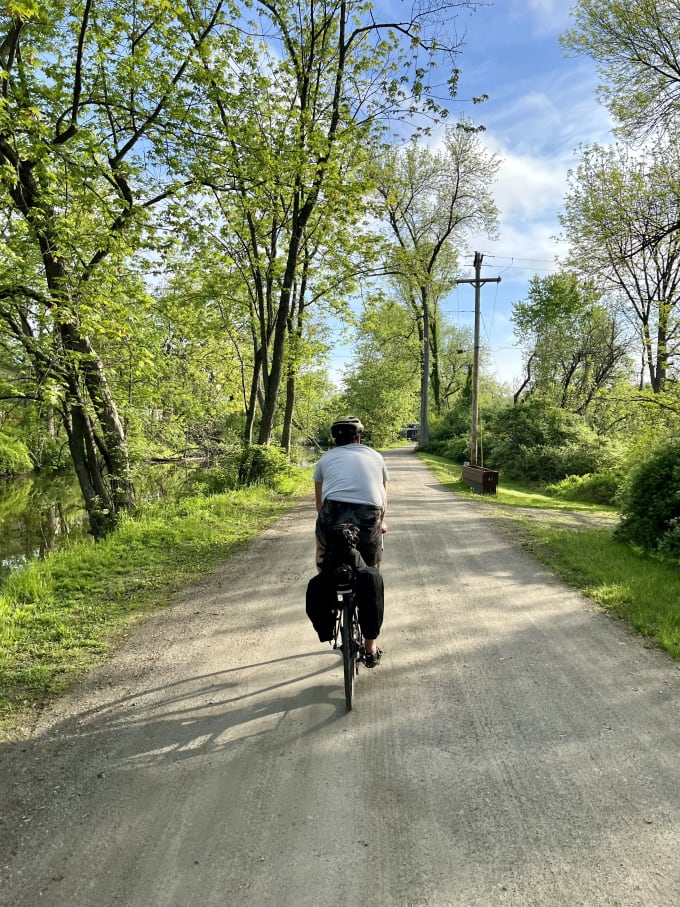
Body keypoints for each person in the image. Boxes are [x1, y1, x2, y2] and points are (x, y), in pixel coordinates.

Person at [312, 416, 388, 667]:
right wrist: (381, 523)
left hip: (332, 515)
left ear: (336, 440)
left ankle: (330, 588)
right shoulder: (376, 457)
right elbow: (382, 498)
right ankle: (370, 648)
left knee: (322, 546)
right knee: (371, 571)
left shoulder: (324, 460)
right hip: (368, 518)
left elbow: (320, 506)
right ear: (359, 438)